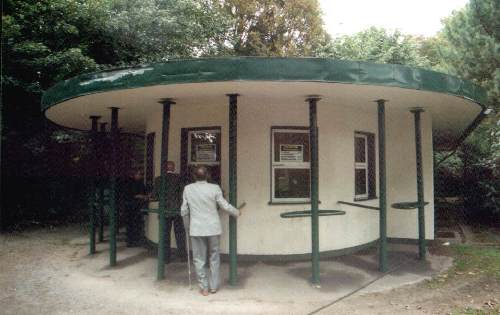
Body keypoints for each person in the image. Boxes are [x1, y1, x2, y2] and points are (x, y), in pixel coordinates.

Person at [181, 165, 241, 296]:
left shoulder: (188, 189)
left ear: (194, 176)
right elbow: (224, 205)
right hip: (213, 227)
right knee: (214, 257)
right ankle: (214, 286)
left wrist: (186, 226)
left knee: (198, 258)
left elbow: (184, 210)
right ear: (207, 175)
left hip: (196, 228)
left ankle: (204, 287)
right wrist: (236, 212)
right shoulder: (215, 188)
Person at [152, 161, 187, 263]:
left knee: (164, 234)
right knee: (180, 234)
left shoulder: (159, 179)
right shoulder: (179, 178)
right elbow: (183, 193)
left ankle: (166, 258)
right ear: (173, 168)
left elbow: (155, 195)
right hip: (177, 210)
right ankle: (182, 256)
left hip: (164, 209)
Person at [122, 169, 148, 247]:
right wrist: (140, 196)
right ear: (134, 174)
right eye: (139, 174)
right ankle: (131, 241)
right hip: (131, 207)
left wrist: (144, 196)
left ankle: (133, 241)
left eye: (141, 174)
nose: (140, 176)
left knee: (135, 224)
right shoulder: (130, 183)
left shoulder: (139, 183)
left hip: (135, 206)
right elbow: (128, 194)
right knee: (132, 225)